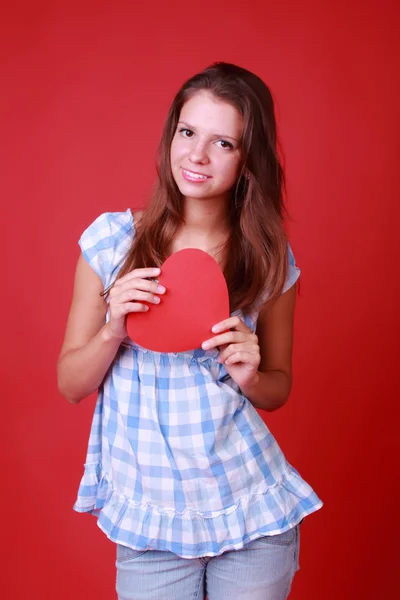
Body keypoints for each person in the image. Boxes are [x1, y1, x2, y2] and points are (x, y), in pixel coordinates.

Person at [57, 62, 322, 600]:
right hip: (151, 521)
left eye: (223, 142)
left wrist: (251, 375)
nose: (197, 156)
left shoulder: (268, 262)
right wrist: (114, 329)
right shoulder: (111, 244)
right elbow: (70, 383)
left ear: (250, 160)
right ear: (170, 135)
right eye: (187, 132)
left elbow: (278, 388)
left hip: (249, 510)